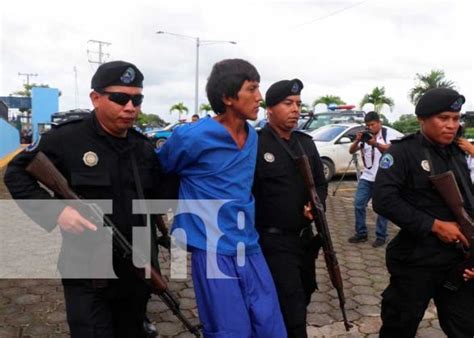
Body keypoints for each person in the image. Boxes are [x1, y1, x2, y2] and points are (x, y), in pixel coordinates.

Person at [4, 61, 164, 338]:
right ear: (95, 98)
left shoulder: (143, 147)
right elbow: (16, 173)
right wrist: (56, 211)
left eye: (137, 99)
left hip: (135, 271)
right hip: (88, 273)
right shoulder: (66, 138)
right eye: (120, 98)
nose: (130, 107)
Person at [157, 58, 286, 337]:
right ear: (228, 97)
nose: (259, 98)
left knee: (270, 326)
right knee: (231, 330)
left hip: (249, 244)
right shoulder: (191, 137)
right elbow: (160, 169)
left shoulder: (252, 137)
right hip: (213, 249)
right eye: (251, 89)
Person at [373, 88, 474, 337]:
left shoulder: (457, 154)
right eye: (444, 118)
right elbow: (384, 200)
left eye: (455, 118)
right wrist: (434, 225)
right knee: (399, 326)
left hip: (457, 261)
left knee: (464, 327)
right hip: (417, 261)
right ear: (422, 119)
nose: (451, 125)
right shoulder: (402, 152)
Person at [253, 79, 327, 338]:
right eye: (288, 104)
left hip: (304, 241)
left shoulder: (306, 143)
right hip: (272, 242)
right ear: (269, 109)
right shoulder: (256, 144)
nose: (295, 109)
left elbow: (319, 183)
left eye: (298, 104)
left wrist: (316, 206)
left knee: (304, 293)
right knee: (292, 309)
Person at [347, 111, 397, 248]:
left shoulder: (388, 134)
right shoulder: (365, 136)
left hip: (383, 178)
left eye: (372, 124)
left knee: (381, 208)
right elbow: (351, 151)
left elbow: (390, 150)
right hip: (367, 177)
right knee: (358, 204)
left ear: (379, 122)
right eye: (368, 125)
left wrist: (375, 144)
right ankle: (361, 234)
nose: (370, 127)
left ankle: (381, 236)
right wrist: (358, 140)